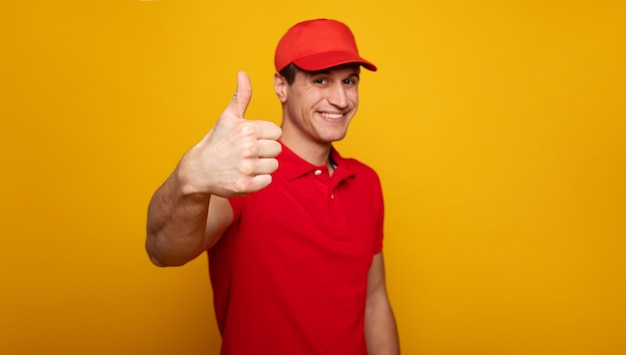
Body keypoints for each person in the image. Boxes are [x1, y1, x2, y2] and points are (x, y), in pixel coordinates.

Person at [146, 18, 400, 354]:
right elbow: (163, 250)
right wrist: (189, 178)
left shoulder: (366, 182)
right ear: (281, 85)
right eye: (321, 80)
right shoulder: (246, 173)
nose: (341, 99)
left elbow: (374, 298)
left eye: (349, 81)